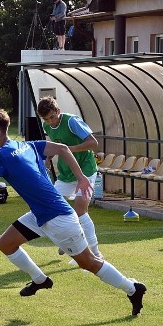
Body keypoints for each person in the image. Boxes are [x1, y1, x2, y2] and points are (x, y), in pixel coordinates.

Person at [0, 106, 146, 316]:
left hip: (58, 219)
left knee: (90, 263)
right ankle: (40, 279)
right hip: (41, 213)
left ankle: (132, 288)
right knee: (6, 243)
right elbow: (63, 149)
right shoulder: (25, 145)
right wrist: (81, 177)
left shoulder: (1, 156)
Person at [37, 96, 103, 259]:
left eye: (52, 117)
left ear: (58, 111)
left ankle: (95, 251)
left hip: (86, 170)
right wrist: (47, 160)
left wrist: (69, 149)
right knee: (53, 208)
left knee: (80, 211)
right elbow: (55, 146)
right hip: (66, 174)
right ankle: (68, 243)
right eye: (46, 119)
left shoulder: (72, 122)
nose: (50, 122)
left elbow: (93, 143)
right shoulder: (48, 126)